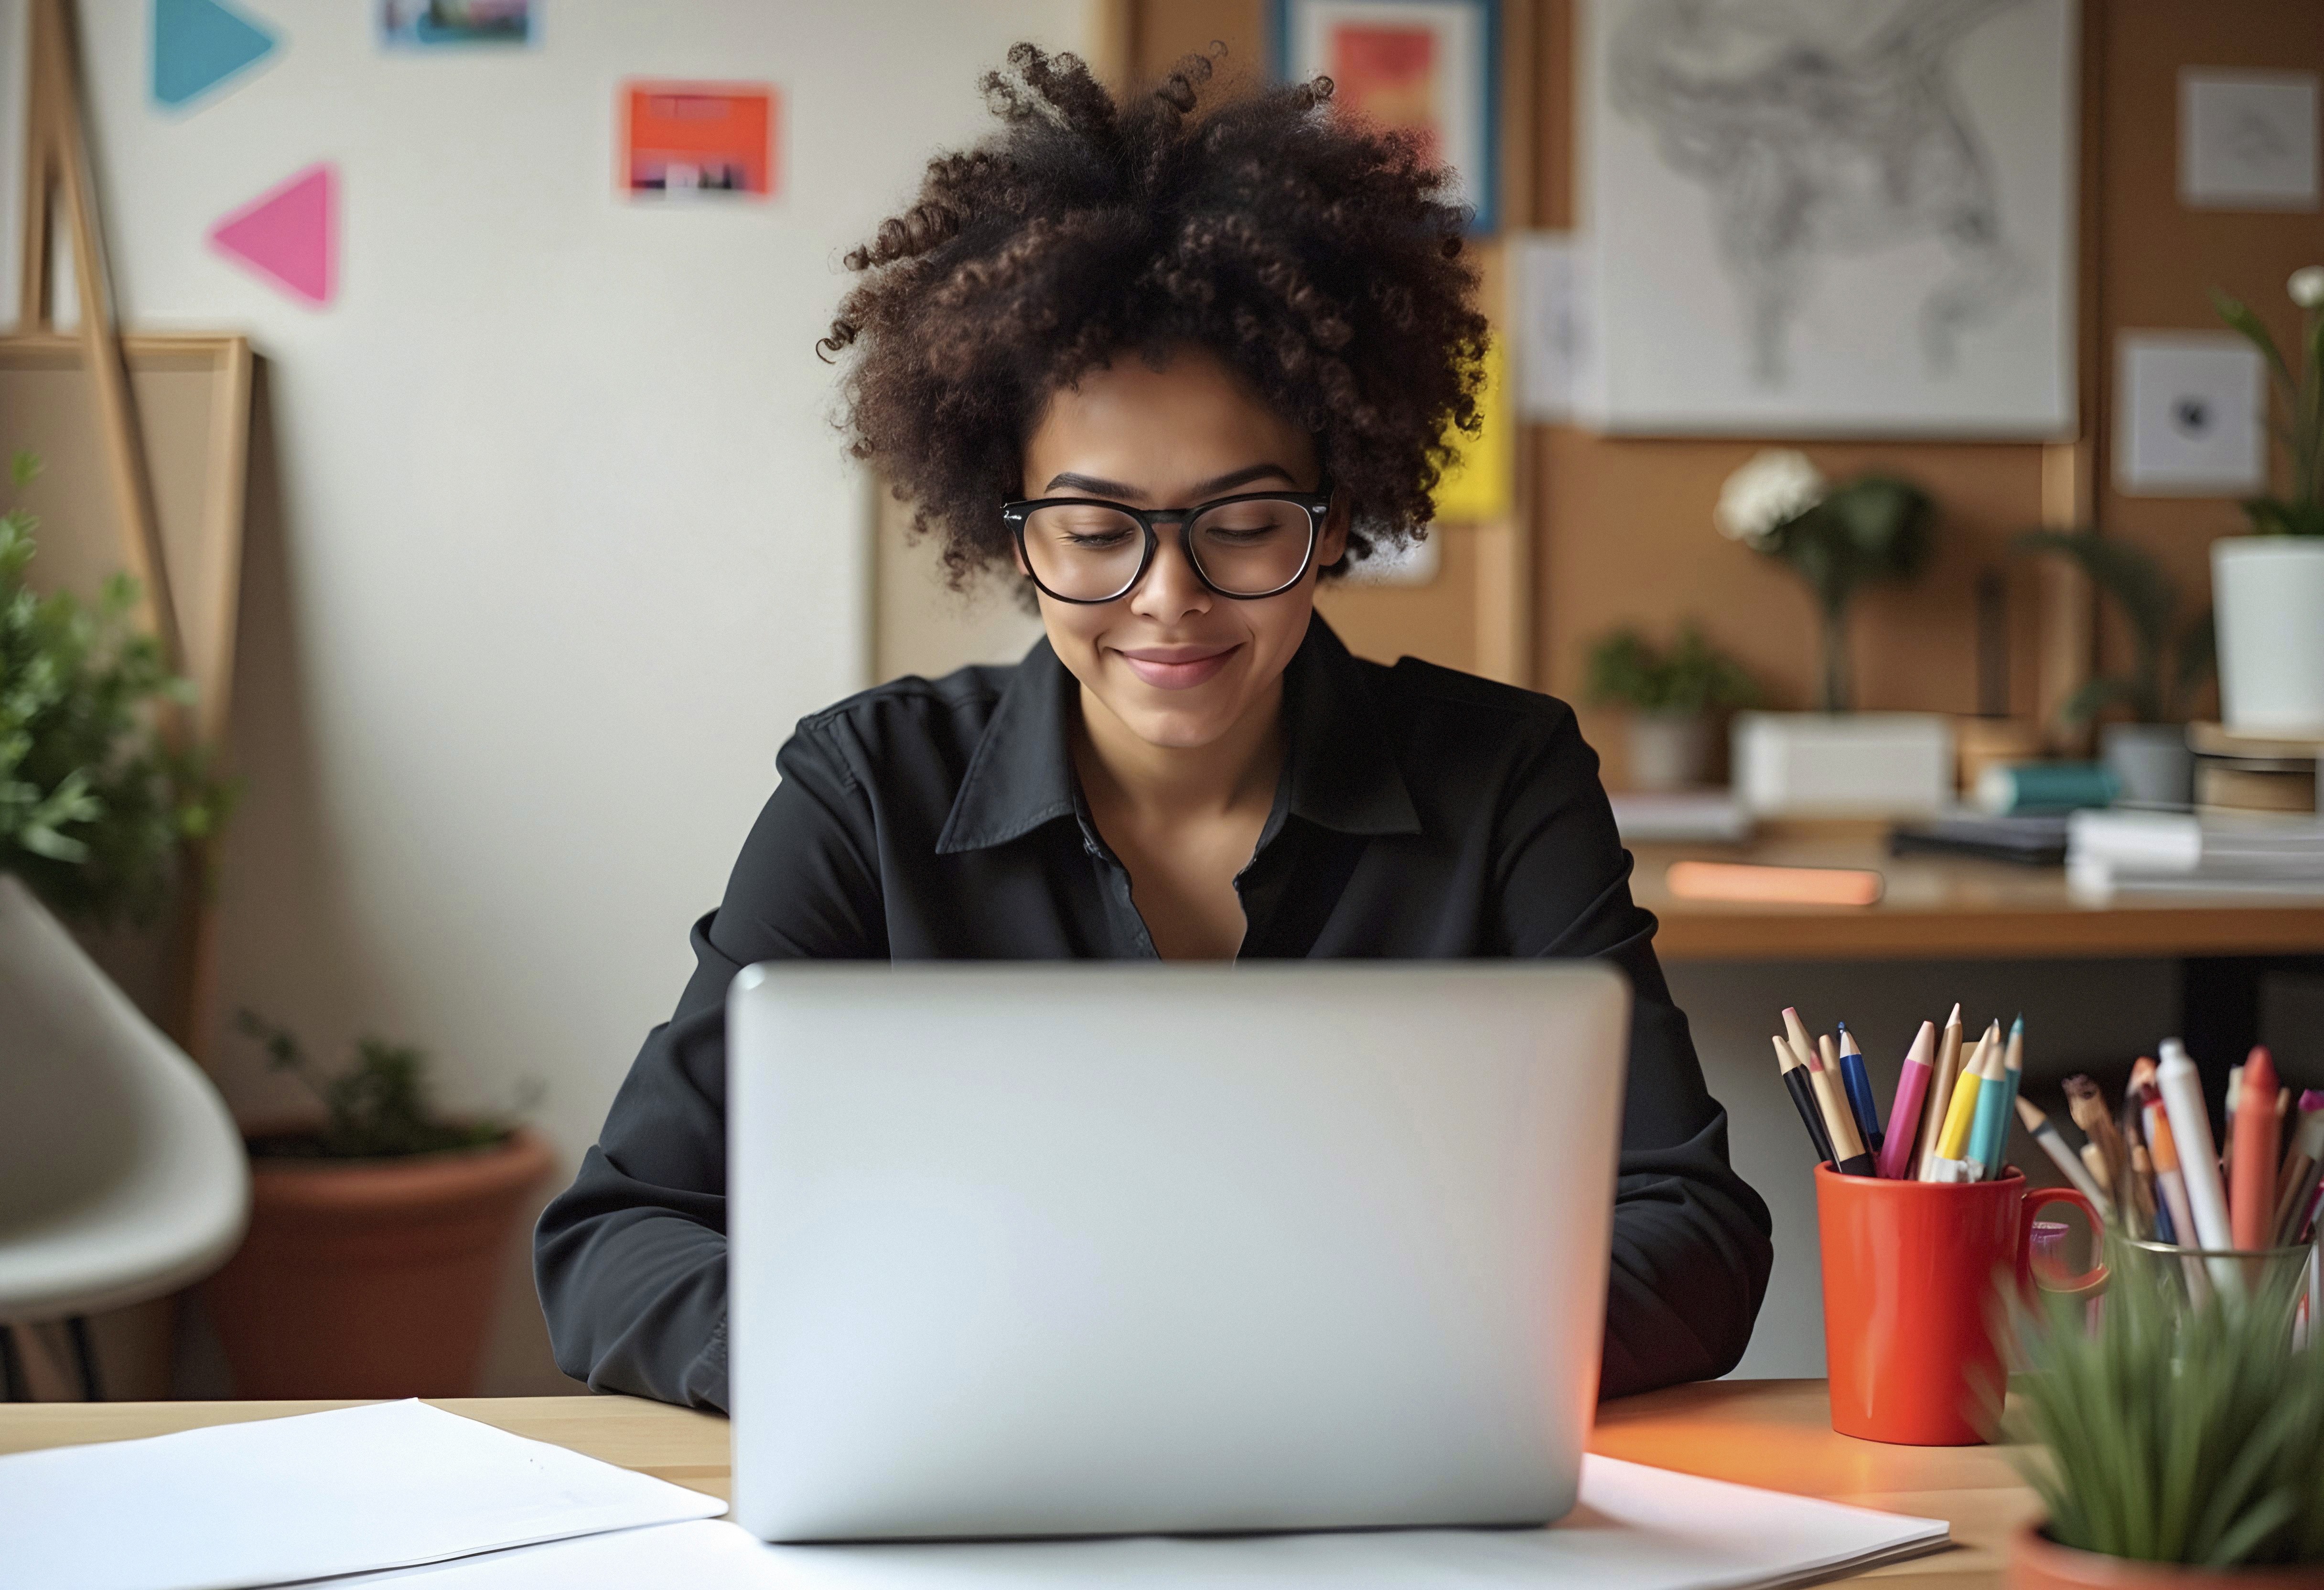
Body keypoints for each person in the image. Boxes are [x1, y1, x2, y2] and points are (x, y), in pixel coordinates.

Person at [536, 45, 1770, 1413]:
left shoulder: (1504, 780)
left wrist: (1322, 1367)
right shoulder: (867, 791)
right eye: (1095, 529)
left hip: (1376, 1467)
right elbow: (616, 1240)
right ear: (1013, 526)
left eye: (1243, 524)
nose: (1169, 597)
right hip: (976, 1450)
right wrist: (889, 1364)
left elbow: (1694, 1233)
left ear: (1336, 522)